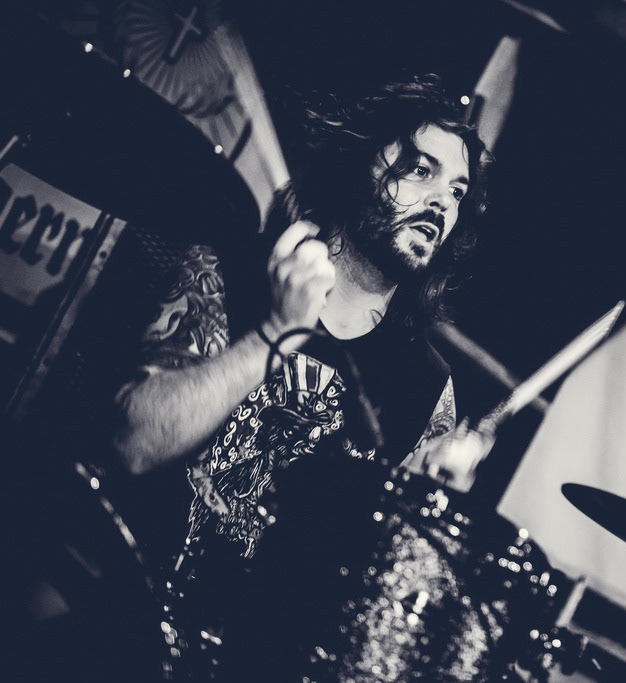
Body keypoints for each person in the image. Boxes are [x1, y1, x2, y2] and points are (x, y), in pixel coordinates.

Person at [111, 75, 503, 679]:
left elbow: (378, 611)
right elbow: (133, 442)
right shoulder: (232, 271)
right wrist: (276, 331)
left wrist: (432, 512)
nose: (440, 204)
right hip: (126, 618)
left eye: (456, 191)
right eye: (421, 170)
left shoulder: (428, 388)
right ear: (361, 167)